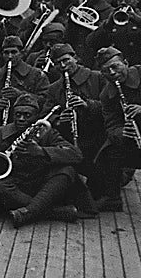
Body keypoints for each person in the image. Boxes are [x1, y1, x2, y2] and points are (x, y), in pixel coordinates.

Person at [0, 94, 83, 227]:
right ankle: (52, 212)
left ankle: (28, 212)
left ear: (36, 117)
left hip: (40, 184)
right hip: (14, 184)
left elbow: (76, 154)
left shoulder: (48, 133)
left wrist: (41, 151)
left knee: (67, 171)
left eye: (27, 115)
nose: (21, 119)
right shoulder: (0, 133)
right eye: (18, 114)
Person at [42, 43, 107, 199]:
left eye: (66, 60)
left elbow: (112, 107)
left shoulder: (97, 77)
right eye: (58, 63)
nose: (63, 66)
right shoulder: (55, 88)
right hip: (69, 138)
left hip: (98, 135)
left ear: (75, 58)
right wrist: (58, 119)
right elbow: (45, 114)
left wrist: (88, 105)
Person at [95, 47, 141, 211]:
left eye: (116, 66)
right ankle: (112, 198)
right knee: (108, 151)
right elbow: (111, 124)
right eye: (107, 71)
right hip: (135, 139)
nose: (112, 73)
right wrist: (121, 132)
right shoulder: (107, 94)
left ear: (126, 63)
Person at [0, 35, 50, 129]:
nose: (10, 56)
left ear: (21, 53)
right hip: (1, 127)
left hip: (30, 125)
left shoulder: (37, 74)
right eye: (6, 53)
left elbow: (46, 101)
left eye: (14, 52)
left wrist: (21, 95)